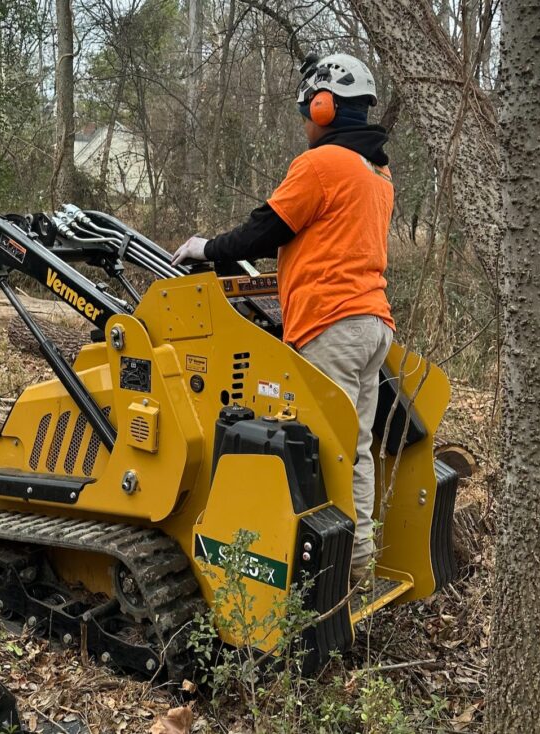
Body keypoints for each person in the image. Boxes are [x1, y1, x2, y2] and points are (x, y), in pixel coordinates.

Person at [171, 52, 395, 586]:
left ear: (323, 108)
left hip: (331, 325)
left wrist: (206, 247)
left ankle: (320, 577)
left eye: (306, 111)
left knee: (317, 453)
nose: (304, 122)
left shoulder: (323, 164)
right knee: (354, 448)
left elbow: (263, 231)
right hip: (372, 324)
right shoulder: (378, 173)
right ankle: (358, 558)